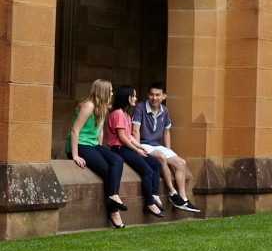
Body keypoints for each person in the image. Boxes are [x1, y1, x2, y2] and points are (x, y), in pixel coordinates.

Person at [65, 78, 127, 229]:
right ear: (104, 91)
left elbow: (99, 131)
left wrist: (101, 150)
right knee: (107, 171)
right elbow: (75, 131)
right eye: (110, 90)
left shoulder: (103, 106)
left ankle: (113, 196)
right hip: (80, 145)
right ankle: (114, 211)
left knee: (117, 160)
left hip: (92, 145)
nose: (112, 93)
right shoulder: (88, 106)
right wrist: (74, 155)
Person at [132, 82, 200, 213]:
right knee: (161, 157)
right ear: (148, 95)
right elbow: (135, 130)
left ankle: (183, 198)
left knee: (181, 163)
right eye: (151, 94)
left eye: (158, 95)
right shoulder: (140, 107)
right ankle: (172, 193)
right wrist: (138, 148)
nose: (154, 98)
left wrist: (169, 150)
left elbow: (166, 132)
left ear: (164, 96)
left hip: (157, 145)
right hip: (143, 143)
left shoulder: (165, 110)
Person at [107, 85, 166, 218]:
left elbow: (129, 136)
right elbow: (122, 138)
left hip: (128, 147)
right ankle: (149, 203)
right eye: (132, 96)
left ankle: (155, 195)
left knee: (156, 165)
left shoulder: (126, 115)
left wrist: (140, 146)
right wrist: (137, 150)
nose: (135, 98)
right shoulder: (117, 114)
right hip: (119, 149)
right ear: (125, 97)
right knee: (147, 171)